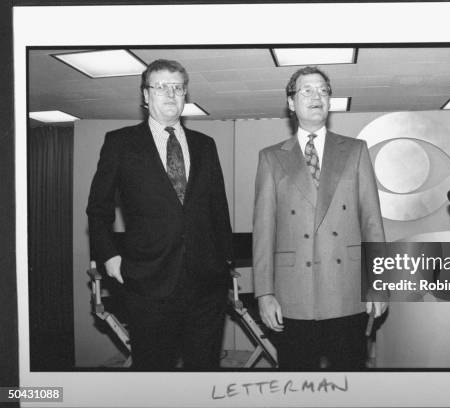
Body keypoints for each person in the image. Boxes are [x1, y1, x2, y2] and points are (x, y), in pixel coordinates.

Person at [87, 59, 233, 370]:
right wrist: (109, 257)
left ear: (185, 95)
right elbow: (98, 208)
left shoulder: (205, 145)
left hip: (206, 285)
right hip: (147, 285)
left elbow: (219, 210)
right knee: (154, 375)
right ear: (145, 95)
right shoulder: (120, 143)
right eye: (161, 87)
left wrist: (226, 261)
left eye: (177, 87)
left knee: (205, 373)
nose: (170, 93)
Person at [253, 66, 387, 370]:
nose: (317, 96)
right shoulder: (271, 157)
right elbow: (264, 231)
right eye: (307, 90)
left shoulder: (355, 150)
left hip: (347, 290)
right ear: (291, 103)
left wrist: (378, 284)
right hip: (292, 295)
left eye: (323, 91)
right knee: (298, 383)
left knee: (349, 380)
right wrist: (264, 293)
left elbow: (371, 223)